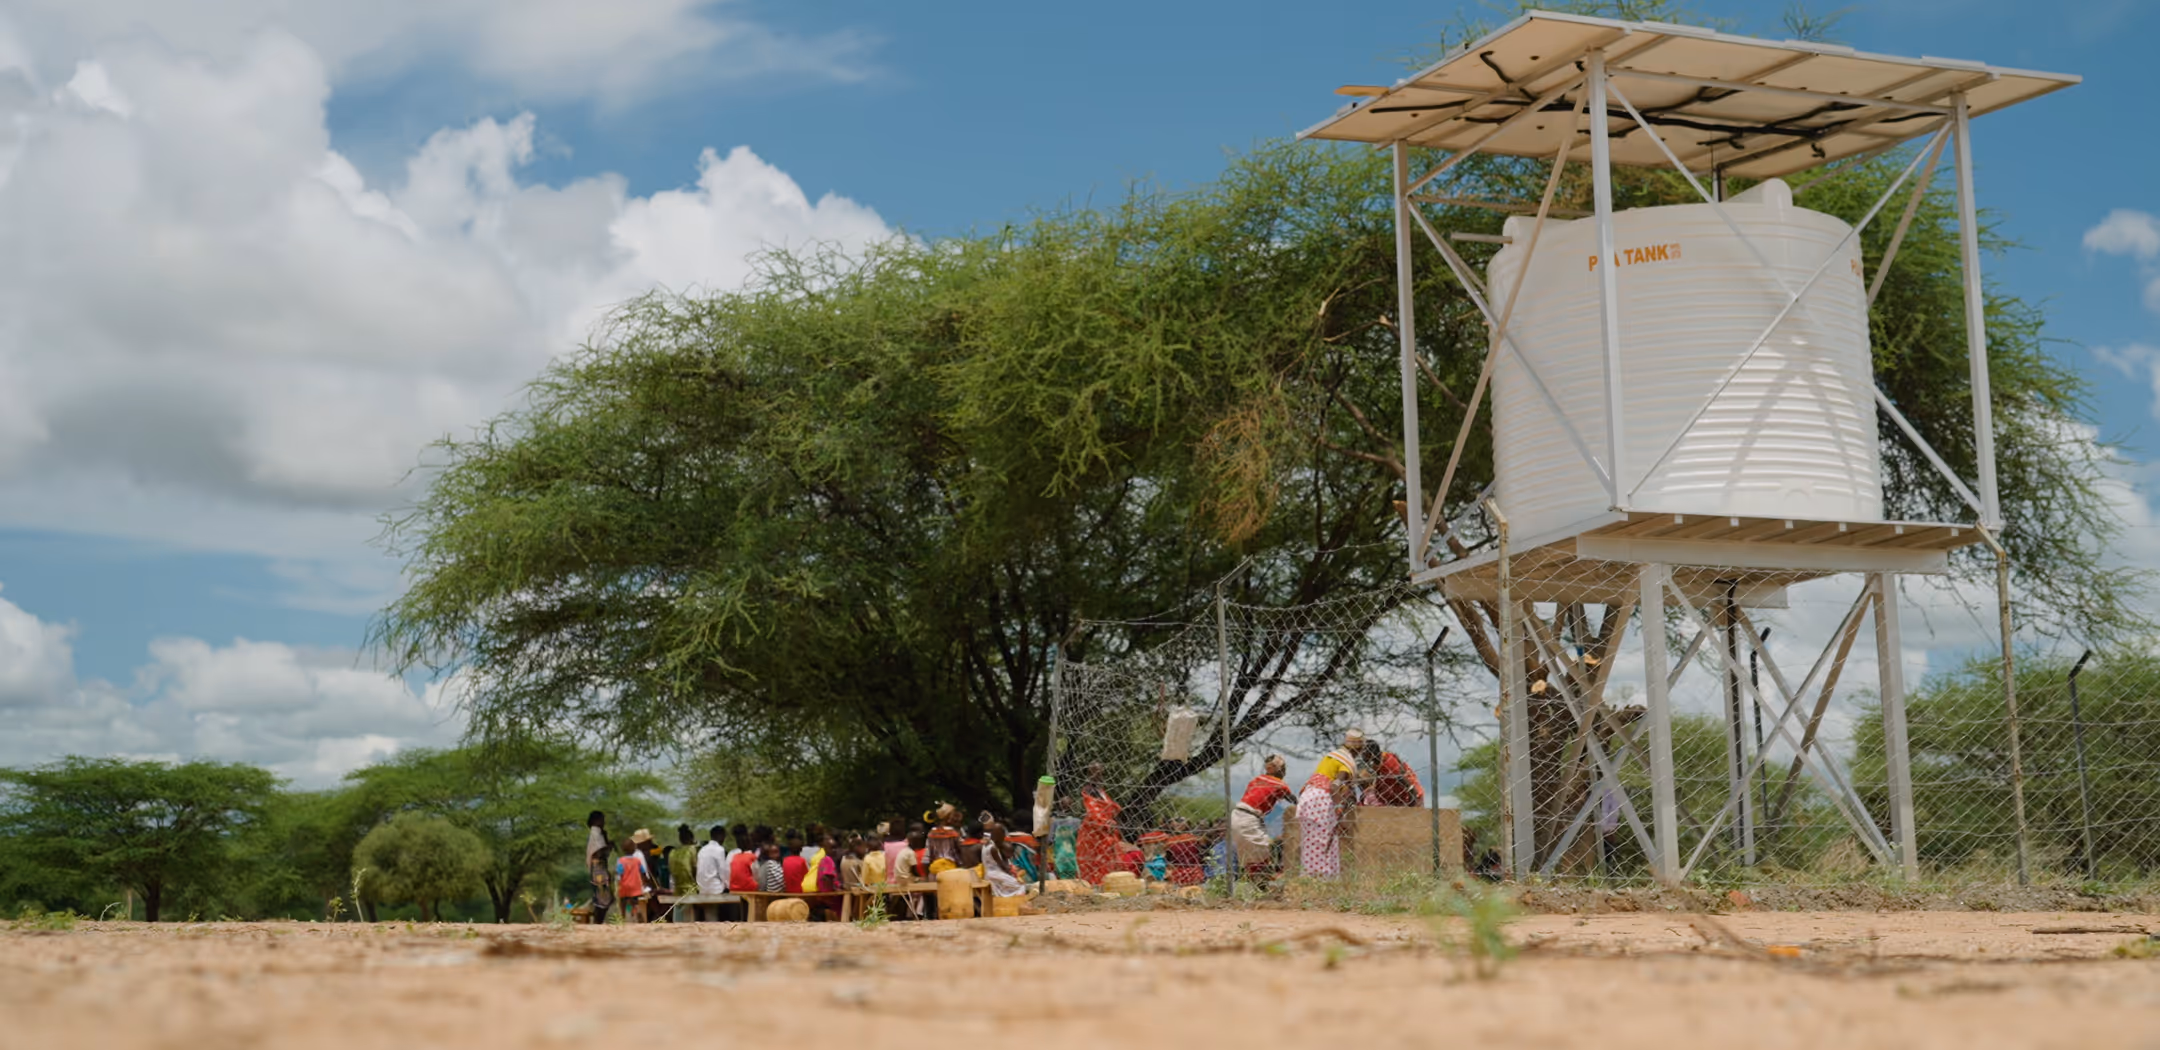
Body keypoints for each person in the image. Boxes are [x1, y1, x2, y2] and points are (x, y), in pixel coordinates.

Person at [1298, 750, 1358, 879]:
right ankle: (1322, 877)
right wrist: (1339, 809)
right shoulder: (1345, 765)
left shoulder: (1327, 763)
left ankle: (1310, 877)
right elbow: (1334, 786)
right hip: (1320, 801)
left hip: (1307, 799)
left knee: (1311, 842)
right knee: (1324, 842)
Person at [1231, 755, 1296, 875]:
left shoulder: (1256, 780)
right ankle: (1264, 882)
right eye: (1284, 768)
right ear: (1279, 770)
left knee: (1248, 855)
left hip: (1236, 814)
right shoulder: (1280, 784)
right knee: (1264, 851)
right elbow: (1292, 799)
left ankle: (1254, 881)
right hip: (1249, 818)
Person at [1077, 764, 1123, 885]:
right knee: (1094, 859)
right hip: (1094, 830)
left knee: (1106, 857)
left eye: (1100, 772)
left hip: (1106, 830)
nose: (1098, 774)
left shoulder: (1101, 791)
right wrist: (1105, 822)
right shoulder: (1088, 790)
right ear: (1089, 773)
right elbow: (1093, 810)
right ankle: (1094, 883)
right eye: (1094, 771)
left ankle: (1105, 883)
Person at [1359, 740, 1425, 808]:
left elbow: (1409, 787)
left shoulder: (1389, 763)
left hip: (1411, 798)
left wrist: (1411, 806)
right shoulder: (1380, 762)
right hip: (1398, 800)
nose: (1362, 756)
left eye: (1364, 754)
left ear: (1371, 755)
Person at [584, 811, 614, 924]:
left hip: (600, 867)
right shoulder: (595, 833)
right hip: (598, 868)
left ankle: (598, 921)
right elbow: (597, 853)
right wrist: (609, 846)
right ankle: (598, 921)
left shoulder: (599, 833)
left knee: (604, 897)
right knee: (603, 897)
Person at [616, 835, 652, 923]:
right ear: (634, 848)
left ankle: (622, 917)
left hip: (624, 886)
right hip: (636, 886)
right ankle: (638, 914)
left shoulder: (621, 861)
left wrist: (618, 885)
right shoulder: (637, 861)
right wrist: (645, 883)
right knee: (635, 903)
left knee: (623, 903)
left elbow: (619, 874)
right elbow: (643, 873)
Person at [1161, 819, 1205, 886]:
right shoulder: (1196, 839)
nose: (1179, 825)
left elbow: (1167, 858)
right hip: (1193, 871)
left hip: (1179, 872)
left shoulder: (1170, 841)